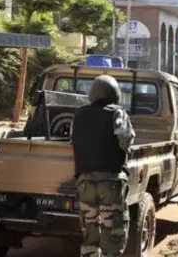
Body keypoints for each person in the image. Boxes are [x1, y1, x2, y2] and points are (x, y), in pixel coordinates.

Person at [71, 75, 136, 257]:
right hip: (110, 182)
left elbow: (74, 141)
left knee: (90, 235)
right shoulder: (117, 112)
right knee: (113, 236)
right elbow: (125, 140)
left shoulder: (79, 114)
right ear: (114, 94)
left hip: (85, 183)